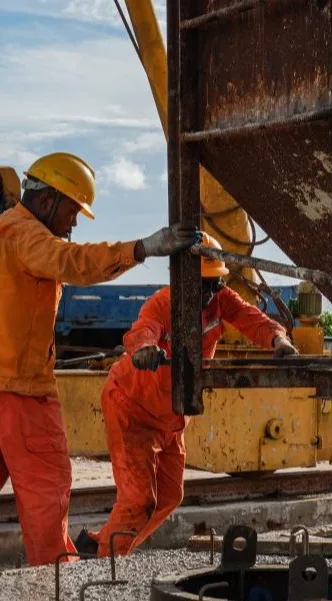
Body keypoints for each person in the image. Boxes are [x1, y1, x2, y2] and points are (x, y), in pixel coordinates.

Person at [0, 152, 199, 566]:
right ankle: (52, 585)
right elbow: (71, 261)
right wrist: (141, 249)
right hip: (22, 396)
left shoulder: (5, 231)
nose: (73, 224)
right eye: (72, 211)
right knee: (46, 495)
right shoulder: (25, 234)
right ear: (47, 200)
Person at [74, 232, 299, 557]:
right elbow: (143, 330)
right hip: (132, 410)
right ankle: (104, 559)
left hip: (172, 415)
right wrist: (145, 349)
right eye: (201, 285)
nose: (208, 293)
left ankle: (98, 549)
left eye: (212, 284)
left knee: (168, 496)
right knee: (139, 500)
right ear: (181, 281)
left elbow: (251, 318)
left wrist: (279, 340)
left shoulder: (220, 300)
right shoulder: (163, 304)